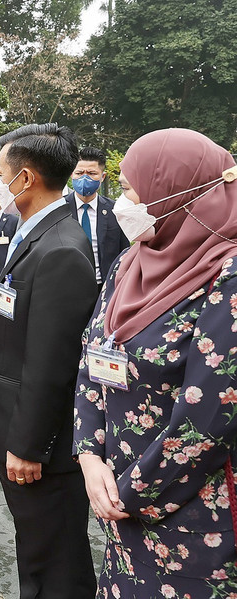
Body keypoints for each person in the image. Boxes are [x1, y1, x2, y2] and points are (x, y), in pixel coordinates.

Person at [75, 129, 237, 597]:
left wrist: (127, 494)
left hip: (192, 518)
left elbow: (209, 418)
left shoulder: (227, 276)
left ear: (176, 194)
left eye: (130, 190)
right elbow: (91, 360)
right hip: (117, 508)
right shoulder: (130, 262)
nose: (122, 203)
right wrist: (89, 456)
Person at [0, 123, 98, 599]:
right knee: (37, 550)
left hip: (40, 447)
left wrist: (28, 446)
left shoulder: (61, 248)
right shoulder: (33, 233)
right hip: (14, 425)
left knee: (55, 561)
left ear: (24, 178)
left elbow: (52, 364)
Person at [65, 146, 129, 288]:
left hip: (104, 287)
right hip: (68, 286)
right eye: (79, 173)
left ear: (102, 176)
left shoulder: (115, 211)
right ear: (71, 174)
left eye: (92, 173)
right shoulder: (59, 209)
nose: (84, 178)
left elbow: (124, 252)